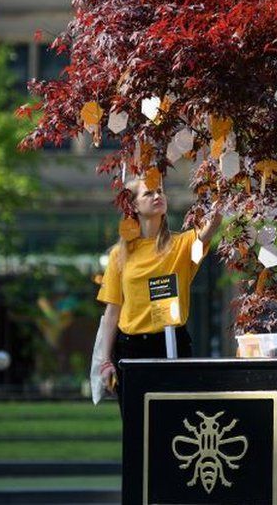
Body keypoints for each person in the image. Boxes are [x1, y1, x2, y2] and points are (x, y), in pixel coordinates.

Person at [94, 175, 222, 409]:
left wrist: (218, 189)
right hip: (131, 350)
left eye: (160, 191)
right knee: (136, 426)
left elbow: (209, 228)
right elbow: (112, 311)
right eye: (148, 193)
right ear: (134, 206)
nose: (157, 196)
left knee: (174, 424)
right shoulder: (119, 255)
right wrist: (105, 362)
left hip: (172, 344)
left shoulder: (183, 248)